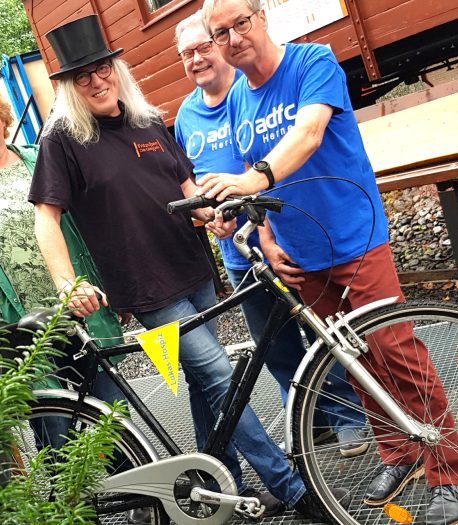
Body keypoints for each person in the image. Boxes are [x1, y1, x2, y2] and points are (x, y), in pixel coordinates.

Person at [28, 14, 347, 520]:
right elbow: (46, 216)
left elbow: (184, 190)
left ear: (116, 68)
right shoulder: (63, 139)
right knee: (219, 375)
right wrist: (68, 284)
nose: (95, 80)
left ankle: (215, 489)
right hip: (146, 286)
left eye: (102, 67)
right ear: (68, 84)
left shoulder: (148, 120)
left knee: (205, 387)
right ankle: (289, 488)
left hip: (194, 270)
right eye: (81, 75)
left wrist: (213, 212)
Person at [200, 1, 458, 523]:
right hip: (302, 254)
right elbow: (244, 173)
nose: (234, 38)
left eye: (241, 23)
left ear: (261, 18)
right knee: (352, 359)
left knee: (396, 351)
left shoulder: (312, 63)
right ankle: (400, 454)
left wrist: (254, 180)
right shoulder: (236, 98)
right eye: (221, 33)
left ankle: (449, 472)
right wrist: (262, 233)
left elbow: (308, 135)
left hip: (354, 236)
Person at [173, 10, 368, 459]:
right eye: (188, 54)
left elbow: (279, 154)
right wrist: (208, 216)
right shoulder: (185, 115)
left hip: (283, 236)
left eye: (205, 46)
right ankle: (308, 419)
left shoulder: (248, 95)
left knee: (319, 328)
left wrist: (258, 215)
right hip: (239, 253)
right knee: (273, 345)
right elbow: (193, 183)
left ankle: (348, 418)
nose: (198, 58)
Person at [0, 70, 127, 441]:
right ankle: (71, 500)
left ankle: (136, 494)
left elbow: (91, 228)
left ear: (2, 115)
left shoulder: (44, 159)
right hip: (20, 326)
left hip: (78, 307)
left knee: (113, 418)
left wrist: (110, 286)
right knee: (54, 428)